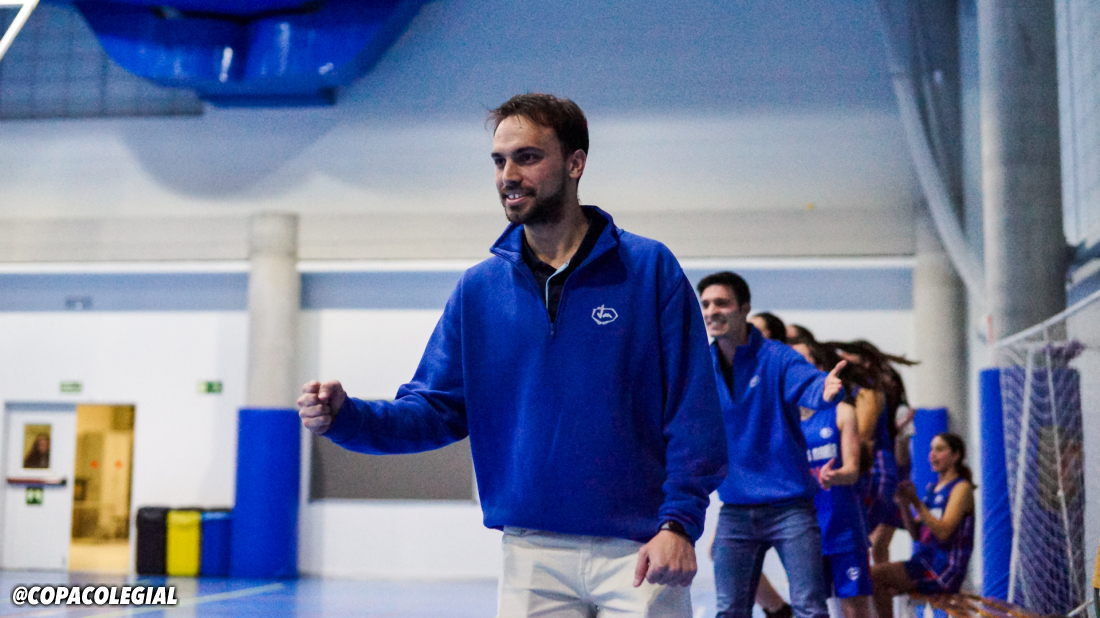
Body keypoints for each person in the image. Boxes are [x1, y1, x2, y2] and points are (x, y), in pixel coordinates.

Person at [298, 93, 728, 617]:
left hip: (641, 547)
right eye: (499, 161)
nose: (509, 175)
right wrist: (346, 417)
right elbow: (434, 410)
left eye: (527, 157)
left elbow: (693, 411)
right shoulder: (479, 289)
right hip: (531, 554)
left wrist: (679, 523)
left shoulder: (648, 269)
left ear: (575, 163)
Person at [698, 272, 846, 618]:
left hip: (790, 508)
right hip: (735, 508)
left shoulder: (777, 357)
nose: (711, 311)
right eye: (705, 304)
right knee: (728, 610)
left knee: (811, 608)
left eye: (721, 303)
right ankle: (778, 611)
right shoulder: (701, 365)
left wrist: (825, 392)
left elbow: (810, 385)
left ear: (744, 308)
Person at [794, 339, 872, 618]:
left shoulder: (842, 411)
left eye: (804, 359)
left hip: (842, 527)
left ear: (819, 367)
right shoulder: (785, 419)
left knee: (854, 610)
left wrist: (835, 476)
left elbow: (852, 470)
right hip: (803, 530)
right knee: (811, 609)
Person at [827, 340, 916, 567]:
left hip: (883, 468)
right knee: (876, 544)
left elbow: (870, 436)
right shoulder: (864, 389)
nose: (843, 359)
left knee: (873, 542)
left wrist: (901, 475)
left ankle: (873, 584)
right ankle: (875, 584)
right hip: (884, 465)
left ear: (865, 362)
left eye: (848, 355)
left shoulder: (875, 389)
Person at [870, 433, 975, 618]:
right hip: (924, 562)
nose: (932, 454)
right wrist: (904, 504)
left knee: (874, 576)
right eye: (931, 449)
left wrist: (916, 503)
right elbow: (916, 534)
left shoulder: (961, 488)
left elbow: (943, 532)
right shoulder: (931, 489)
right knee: (874, 579)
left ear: (955, 455)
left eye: (939, 449)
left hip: (945, 569)